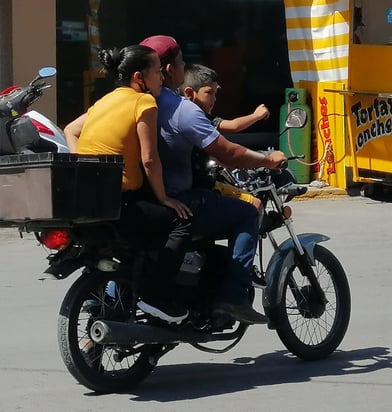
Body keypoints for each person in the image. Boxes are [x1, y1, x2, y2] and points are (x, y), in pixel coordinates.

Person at [139, 35, 287, 324]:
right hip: (178, 198)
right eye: (182, 62)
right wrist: (267, 160)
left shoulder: (127, 101)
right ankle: (233, 297)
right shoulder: (181, 109)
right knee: (246, 212)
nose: (184, 67)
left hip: (138, 199)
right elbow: (229, 154)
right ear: (169, 71)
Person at [64, 44, 192, 324]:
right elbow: (149, 159)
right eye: (157, 72)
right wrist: (165, 198)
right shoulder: (144, 102)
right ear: (139, 78)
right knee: (180, 221)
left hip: (91, 201)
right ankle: (155, 296)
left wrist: (85, 164)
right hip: (120, 201)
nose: (161, 78)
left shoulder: (104, 102)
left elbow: (70, 130)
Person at [181, 63, 271, 289]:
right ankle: (240, 276)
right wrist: (257, 116)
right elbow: (231, 133)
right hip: (198, 191)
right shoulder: (196, 118)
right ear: (190, 93)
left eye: (215, 92)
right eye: (208, 93)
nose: (213, 99)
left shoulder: (182, 112)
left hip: (195, 185)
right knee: (253, 206)